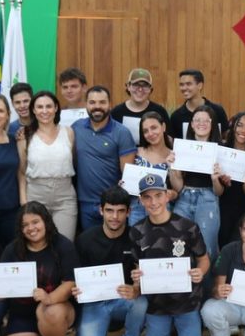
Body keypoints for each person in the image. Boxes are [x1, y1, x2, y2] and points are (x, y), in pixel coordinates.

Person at [129, 173, 210, 336]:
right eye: (147, 197)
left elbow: (204, 260)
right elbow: (137, 266)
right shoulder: (137, 231)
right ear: (141, 200)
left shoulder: (187, 227)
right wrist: (136, 279)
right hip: (157, 305)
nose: (153, 202)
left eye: (158, 195)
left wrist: (200, 272)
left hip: (186, 302)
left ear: (167, 196)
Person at [0, 201, 78, 336]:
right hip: (22, 313)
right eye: (25, 225)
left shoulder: (63, 245)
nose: (31, 228)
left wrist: (49, 298)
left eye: (35, 222)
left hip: (55, 307)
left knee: (51, 311)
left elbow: (70, 283)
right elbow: (2, 281)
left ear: (45, 221)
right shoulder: (12, 249)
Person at [74, 186, 148, 336]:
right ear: (101, 210)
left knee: (141, 302)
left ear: (129, 212)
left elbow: (142, 274)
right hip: (93, 304)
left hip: (122, 300)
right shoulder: (85, 240)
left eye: (120, 211)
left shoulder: (136, 237)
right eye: (109, 210)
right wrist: (75, 289)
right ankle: (88, 331)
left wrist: (137, 288)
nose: (115, 217)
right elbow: (74, 277)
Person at [72, 85, 136, 229]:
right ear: (86, 105)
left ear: (110, 104)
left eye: (102, 102)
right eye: (92, 102)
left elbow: (127, 175)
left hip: (113, 205)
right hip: (85, 203)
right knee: (90, 242)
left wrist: (119, 204)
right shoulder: (76, 128)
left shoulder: (122, 132)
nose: (97, 106)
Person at [17, 91, 78, 240]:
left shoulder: (68, 132)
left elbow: (73, 162)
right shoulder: (24, 135)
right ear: (33, 110)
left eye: (49, 106)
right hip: (35, 195)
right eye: (39, 107)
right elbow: (22, 171)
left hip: (65, 197)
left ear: (56, 108)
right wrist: (24, 201)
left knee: (65, 242)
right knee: (37, 243)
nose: (44, 111)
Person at [169, 104, 224, 265]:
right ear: (191, 124)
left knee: (207, 247)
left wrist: (215, 179)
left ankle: (206, 280)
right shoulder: (182, 148)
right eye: (197, 120)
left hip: (208, 198)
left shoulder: (220, 150)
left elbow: (219, 192)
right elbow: (178, 188)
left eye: (206, 120)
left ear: (212, 124)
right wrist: (172, 168)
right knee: (178, 244)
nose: (201, 123)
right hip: (184, 197)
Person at [218, 111, 245, 249]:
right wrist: (221, 179)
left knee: (239, 245)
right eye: (240, 125)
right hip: (222, 204)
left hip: (244, 206)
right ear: (233, 127)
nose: (243, 130)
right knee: (222, 243)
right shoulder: (222, 150)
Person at [128, 111, 177, 226]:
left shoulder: (174, 156)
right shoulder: (136, 152)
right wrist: (124, 184)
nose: (150, 133)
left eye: (154, 128)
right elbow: (126, 180)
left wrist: (171, 194)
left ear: (163, 127)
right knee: (136, 237)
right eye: (145, 131)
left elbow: (178, 191)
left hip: (162, 209)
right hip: (137, 208)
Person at [111, 68, 171, 142]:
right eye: (135, 85)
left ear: (150, 89)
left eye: (145, 86)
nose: (140, 89)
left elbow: (169, 140)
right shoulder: (116, 113)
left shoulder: (159, 111)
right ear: (128, 86)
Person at [170, 68, 229, 139]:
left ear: (200, 85)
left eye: (188, 84)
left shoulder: (217, 110)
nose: (184, 88)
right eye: (181, 85)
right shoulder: (176, 116)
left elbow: (225, 136)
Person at [0, 95, 20, 253]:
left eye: (0, 111)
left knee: (12, 254)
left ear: (7, 115)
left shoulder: (15, 140)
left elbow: (21, 173)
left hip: (11, 211)